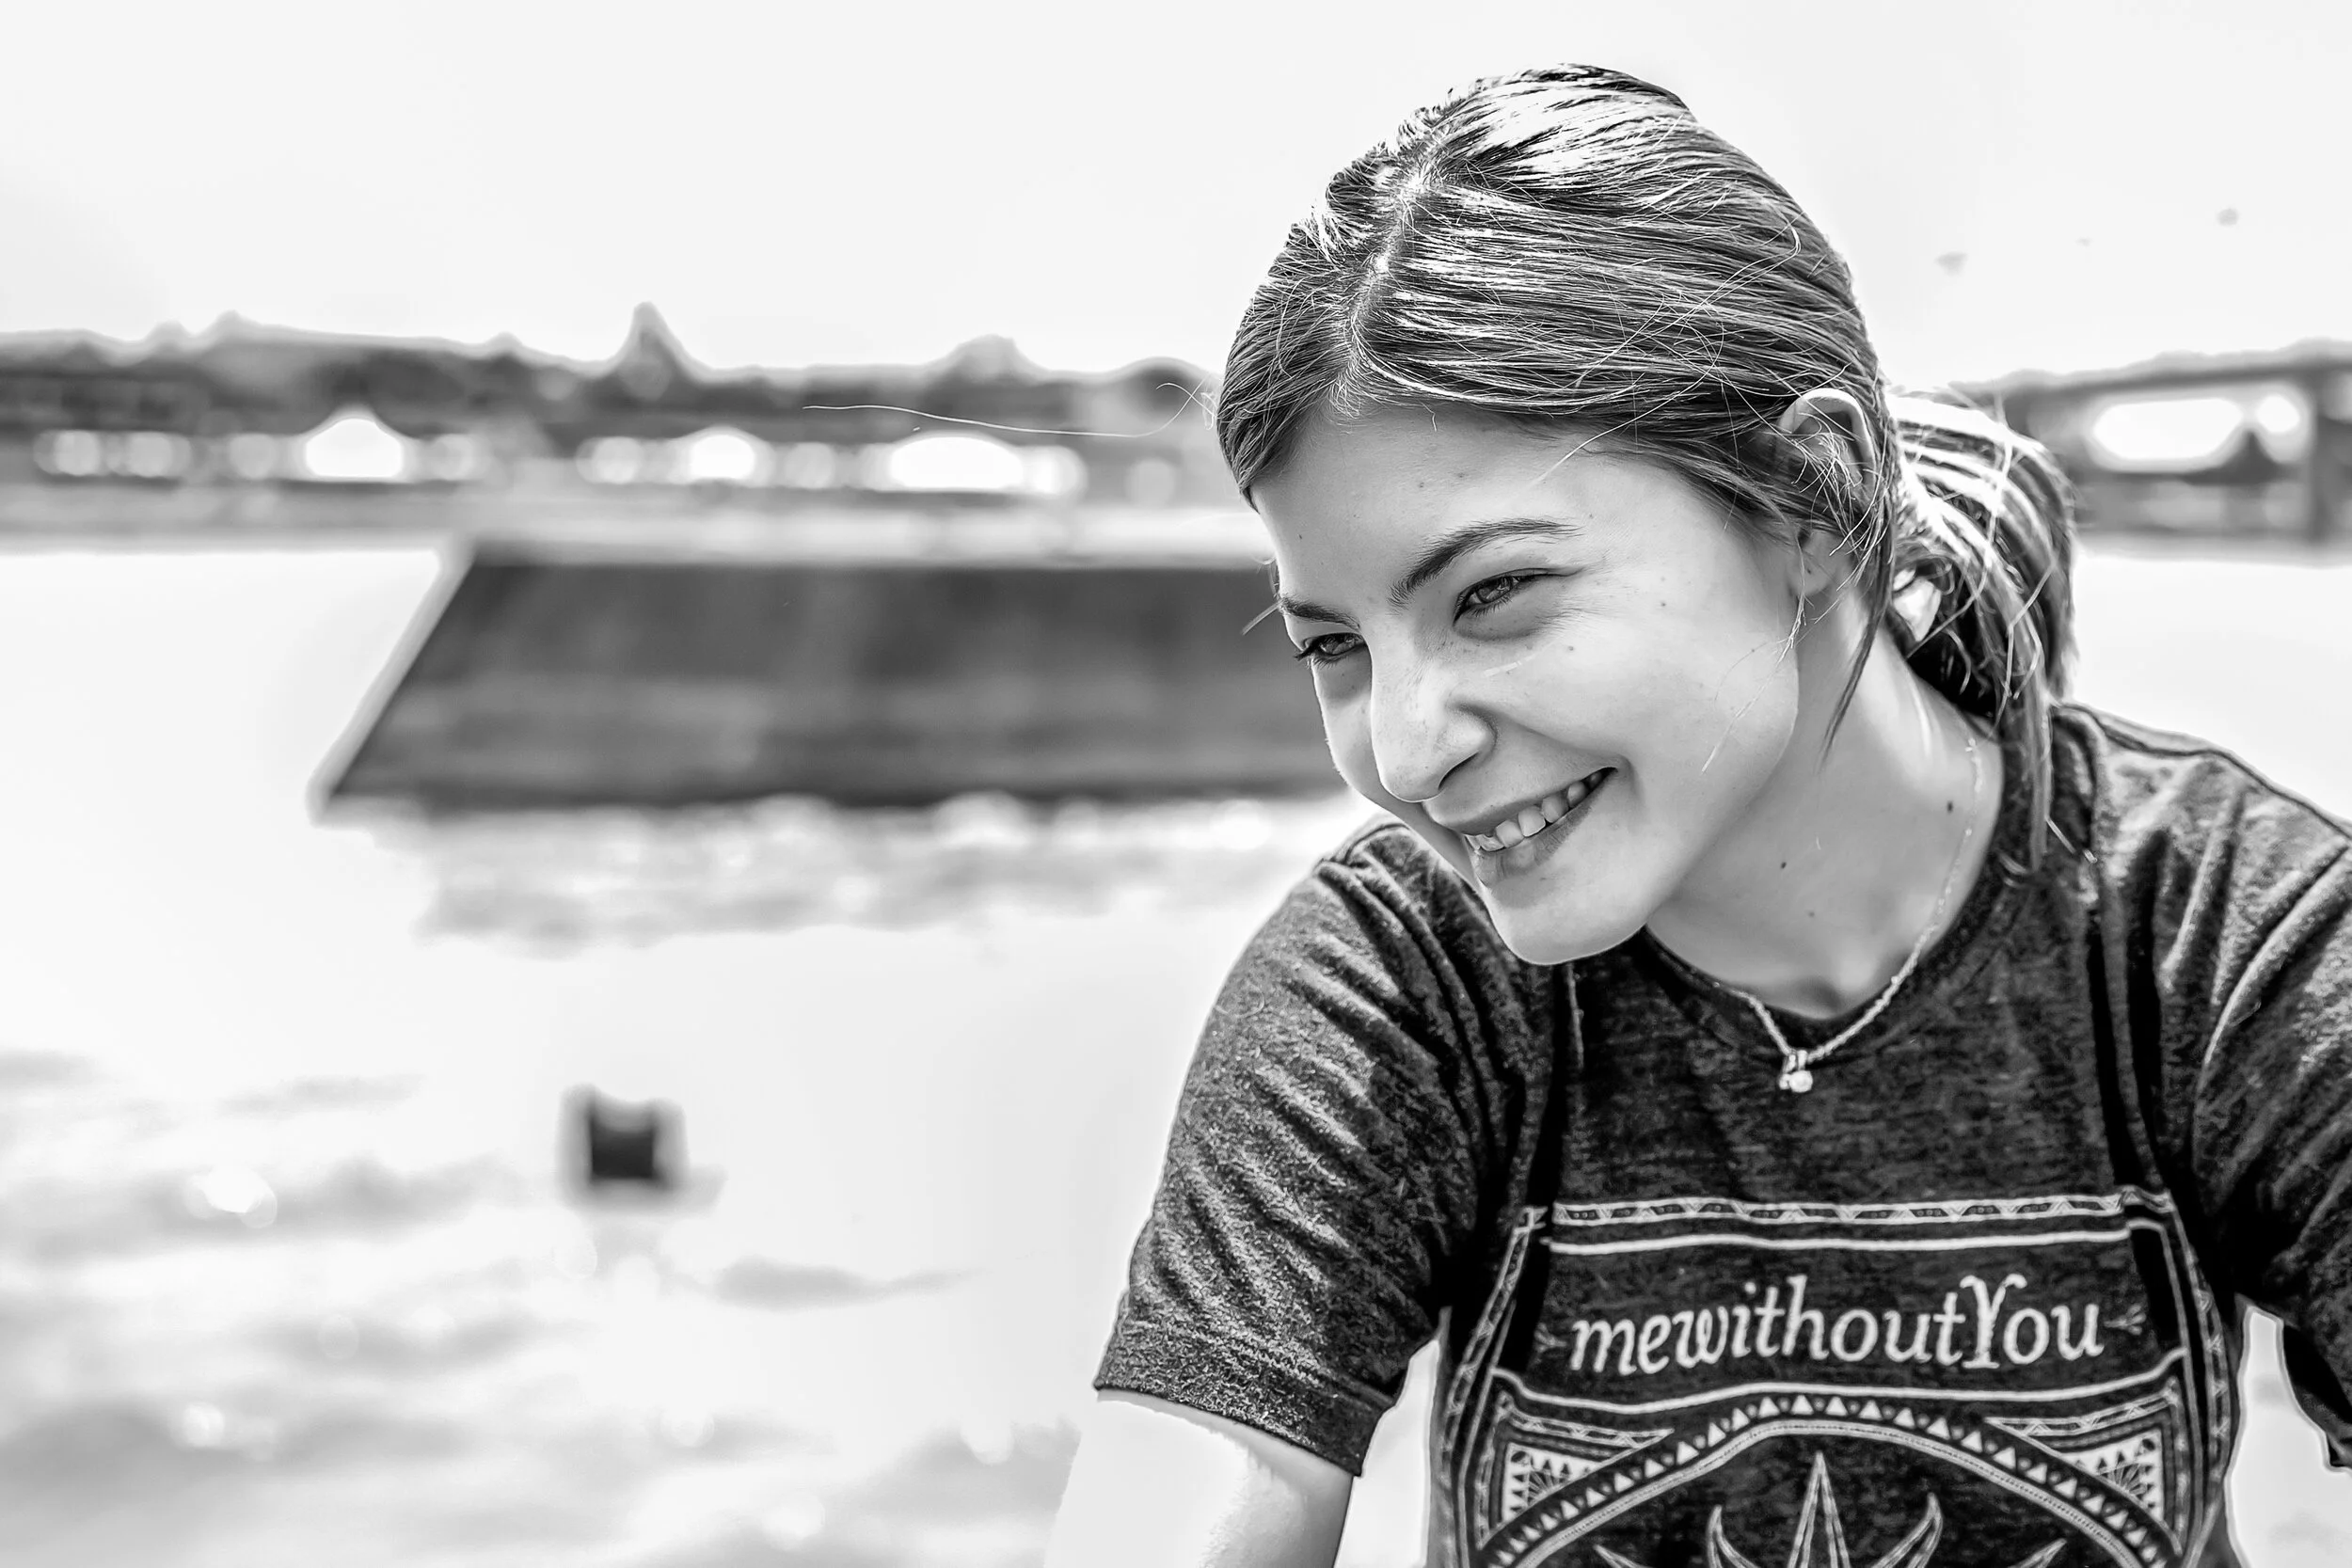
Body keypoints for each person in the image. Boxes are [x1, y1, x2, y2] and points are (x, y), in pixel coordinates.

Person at [1042, 65, 2352, 1568]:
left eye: (1495, 593)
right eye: (1333, 645)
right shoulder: (1400, 985)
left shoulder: (2227, 945)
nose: (1404, 751)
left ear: (1809, 497)